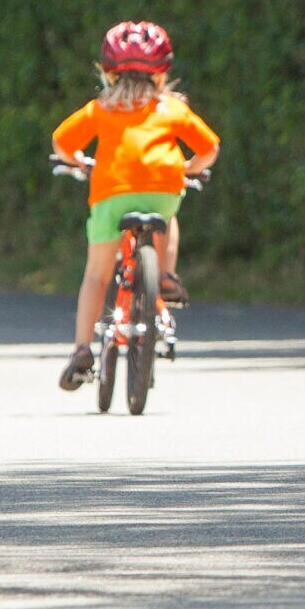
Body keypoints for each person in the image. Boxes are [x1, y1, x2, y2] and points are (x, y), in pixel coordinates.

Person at [51, 21, 220, 391]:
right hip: (163, 188)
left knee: (96, 274)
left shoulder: (101, 108)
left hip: (112, 193)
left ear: (110, 73)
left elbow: (61, 141)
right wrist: (189, 168)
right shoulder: (171, 108)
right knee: (169, 215)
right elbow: (210, 147)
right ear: (161, 74)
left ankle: (81, 350)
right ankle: (165, 274)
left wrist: (79, 162)